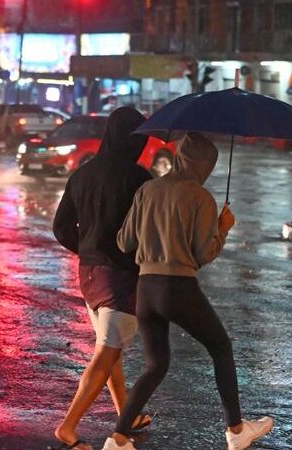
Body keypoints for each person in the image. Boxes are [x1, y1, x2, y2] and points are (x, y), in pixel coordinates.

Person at [101, 133, 274, 450]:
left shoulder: (147, 189)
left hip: (146, 289)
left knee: (156, 365)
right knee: (221, 347)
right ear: (205, 164)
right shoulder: (200, 197)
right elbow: (203, 254)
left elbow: (124, 242)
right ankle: (236, 430)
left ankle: (117, 439)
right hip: (178, 287)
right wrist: (223, 227)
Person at [52, 107, 155, 450]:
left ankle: (127, 412)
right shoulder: (139, 180)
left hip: (89, 277)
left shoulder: (82, 175)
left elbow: (61, 227)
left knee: (109, 349)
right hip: (122, 279)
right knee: (107, 353)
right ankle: (68, 427)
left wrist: (87, 249)